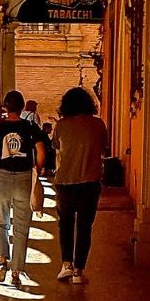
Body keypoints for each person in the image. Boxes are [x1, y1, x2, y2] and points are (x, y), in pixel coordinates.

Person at [0, 90, 45, 286]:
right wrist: (38, 169)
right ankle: (16, 271)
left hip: (1, 179)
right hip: (24, 179)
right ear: (22, 106)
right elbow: (41, 149)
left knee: (0, 224)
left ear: (4, 107)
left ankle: (2, 261)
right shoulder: (31, 127)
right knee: (21, 228)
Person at [49, 86, 110, 284]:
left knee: (65, 224)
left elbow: (57, 148)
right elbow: (104, 149)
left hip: (65, 181)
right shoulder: (98, 125)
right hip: (90, 182)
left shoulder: (61, 126)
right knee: (84, 227)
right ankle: (79, 271)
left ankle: (66, 265)